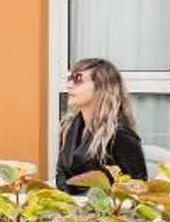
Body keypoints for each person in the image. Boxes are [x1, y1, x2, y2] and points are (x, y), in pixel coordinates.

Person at [56, 57, 149, 192]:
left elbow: (138, 187)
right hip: (69, 209)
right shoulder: (69, 127)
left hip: (107, 211)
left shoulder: (119, 134)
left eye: (78, 79)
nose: (69, 85)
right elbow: (61, 173)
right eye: (69, 79)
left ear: (101, 86)